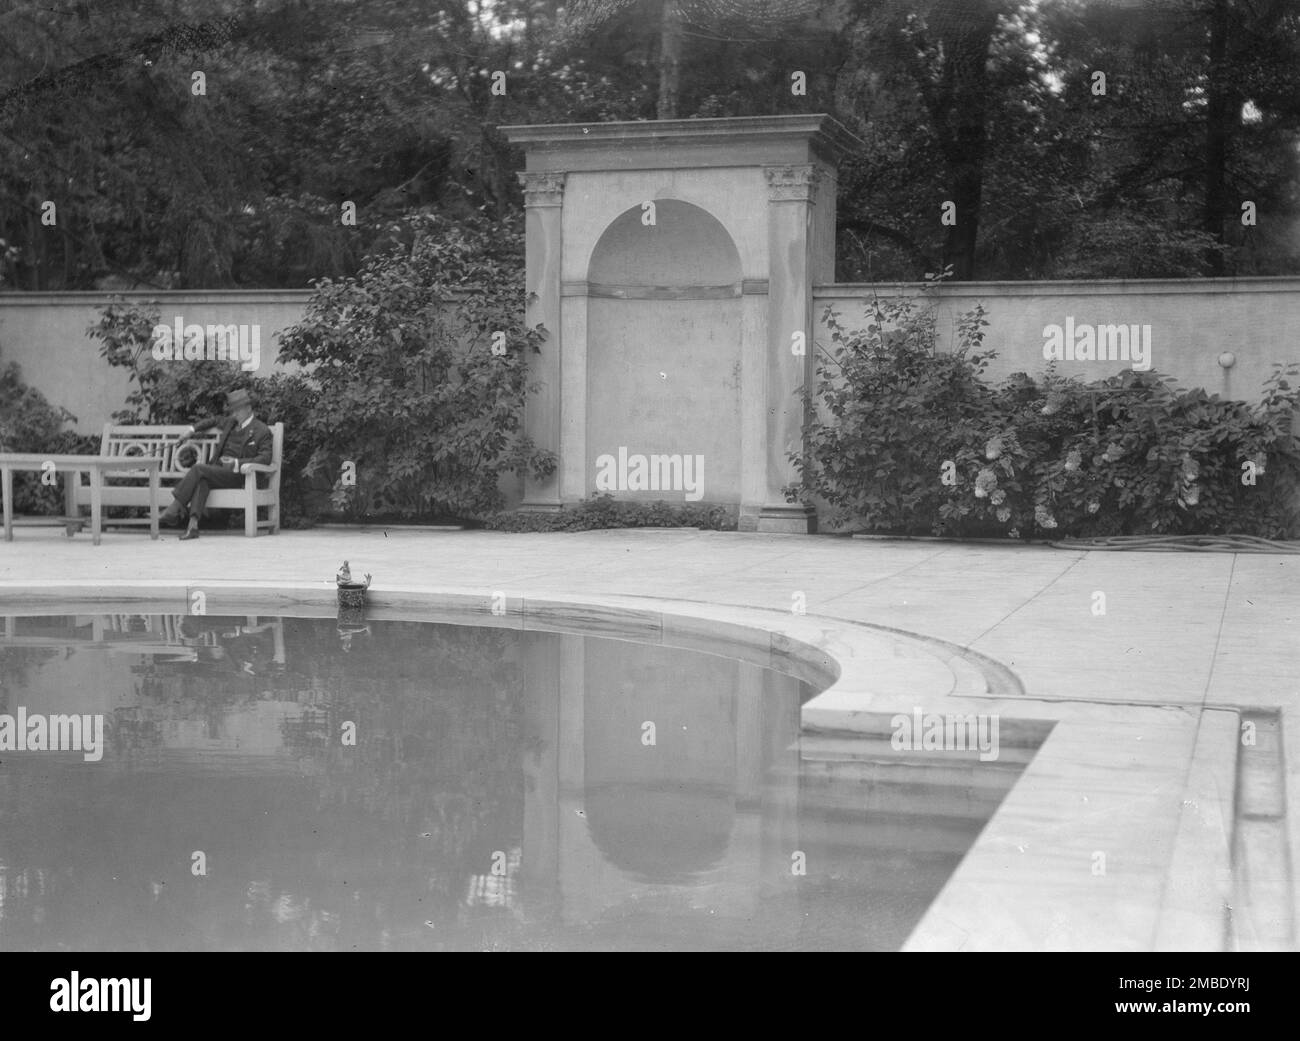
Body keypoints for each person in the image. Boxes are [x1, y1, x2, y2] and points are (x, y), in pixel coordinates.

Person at [160, 388, 273, 540]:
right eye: (233, 410)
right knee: (202, 480)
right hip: (218, 472)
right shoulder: (231, 423)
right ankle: (192, 526)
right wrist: (191, 430)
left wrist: (237, 463)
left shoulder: (261, 430)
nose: (234, 414)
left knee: (199, 469)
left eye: (237, 410)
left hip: (240, 475)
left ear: (248, 408)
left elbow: (265, 458)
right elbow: (212, 420)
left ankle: (173, 509)